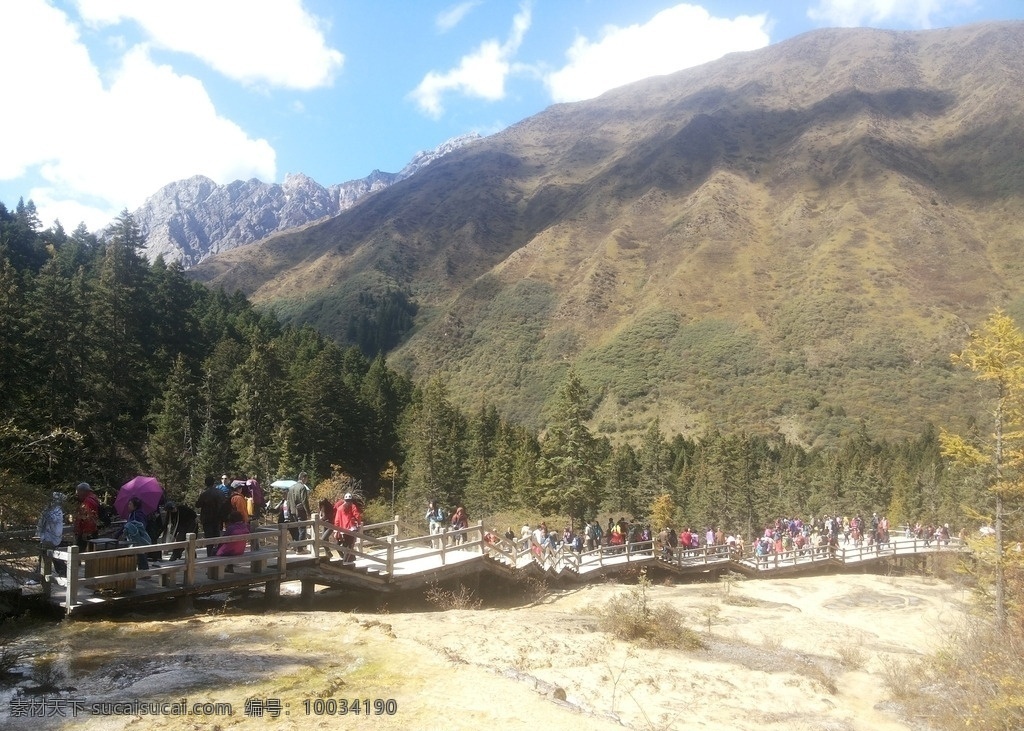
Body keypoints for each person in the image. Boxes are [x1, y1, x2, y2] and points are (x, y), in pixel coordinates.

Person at [33, 491, 66, 582]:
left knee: (53, 556)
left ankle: (62, 573)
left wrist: (45, 513)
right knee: (46, 555)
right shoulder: (49, 509)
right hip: (46, 536)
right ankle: (39, 575)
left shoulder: (57, 510)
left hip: (52, 537)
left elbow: (53, 519)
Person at [195, 476, 227, 557]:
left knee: (209, 538)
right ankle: (217, 554)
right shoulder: (220, 493)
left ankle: (210, 556)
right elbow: (224, 504)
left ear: (206, 483)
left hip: (207, 519)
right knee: (217, 537)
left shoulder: (204, 494)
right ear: (214, 483)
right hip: (218, 518)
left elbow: (198, 505)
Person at [120, 497, 151, 571]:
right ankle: (142, 571)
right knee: (139, 554)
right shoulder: (132, 514)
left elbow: (142, 525)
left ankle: (145, 572)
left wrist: (134, 527)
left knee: (141, 554)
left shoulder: (138, 514)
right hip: (134, 538)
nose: (128, 506)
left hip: (139, 537)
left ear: (135, 506)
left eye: (130, 504)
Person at [334, 493, 363, 565]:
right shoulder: (352, 506)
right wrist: (359, 524)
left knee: (345, 544)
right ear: (351, 500)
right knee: (349, 546)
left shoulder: (340, 508)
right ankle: (345, 561)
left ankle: (349, 559)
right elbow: (357, 516)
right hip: (351, 528)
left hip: (342, 529)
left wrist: (336, 530)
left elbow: (337, 520)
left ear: (344, 500)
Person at [287, 472, 312, 552]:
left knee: (296, 529)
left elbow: (288, 501)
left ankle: (295, 546)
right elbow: (304, 501)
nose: (306, 480)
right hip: (300, 511)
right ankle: (300, 549)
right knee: (302, 529)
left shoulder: (291, 488)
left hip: (292, 511)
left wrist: (289, 512)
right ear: (303, 478)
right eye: (306, 478)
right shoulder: (302, 487)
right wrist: (308, 513)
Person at [73, 482, 100, 551]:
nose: (77, 494)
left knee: (80, 551)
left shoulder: (88, 502)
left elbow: (89, 518)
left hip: (87, 532)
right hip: (90, 531)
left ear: (83, 491)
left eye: (78, 491)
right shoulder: (93, 498)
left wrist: (86, 532)